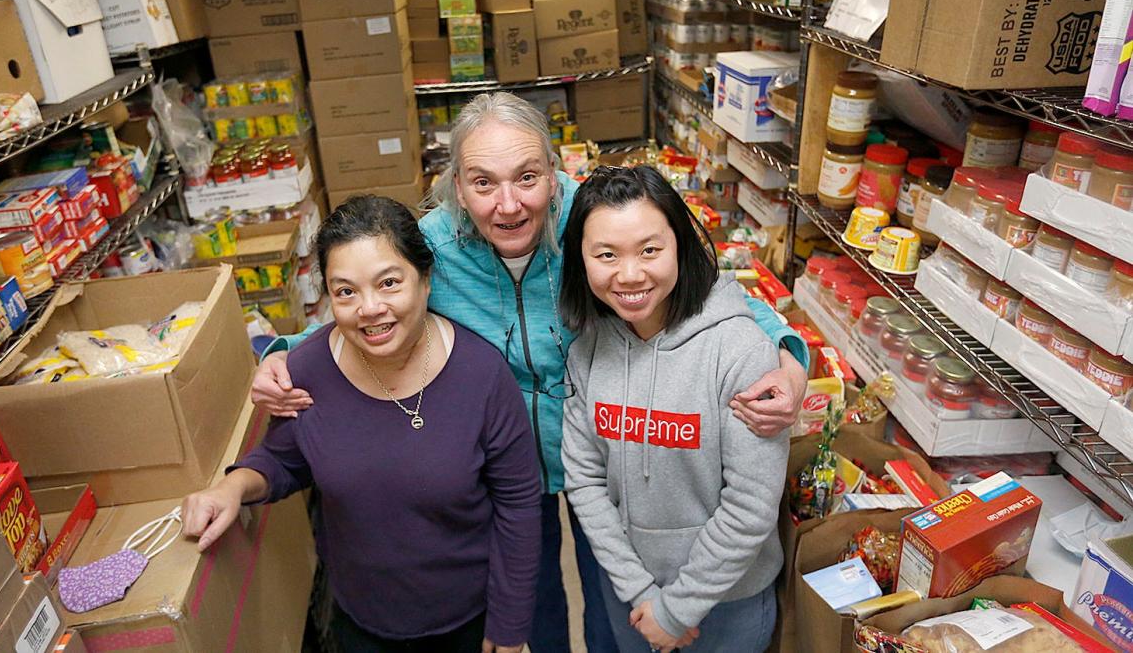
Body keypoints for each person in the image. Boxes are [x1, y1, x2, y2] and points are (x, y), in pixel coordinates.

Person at [250, 92, 809, 652]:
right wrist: (285, 352)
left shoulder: (594, 222)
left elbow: (701, 286)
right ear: (457, 187)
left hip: (608, 446)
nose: (508, 204)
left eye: (526, 177)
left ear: (555, 171)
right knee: (527, 601)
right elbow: (374, 303)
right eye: (483, 183)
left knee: (615, 601)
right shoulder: (434, 246)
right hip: (504, 460)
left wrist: (789, 356)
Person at [181, 196, 541, 653]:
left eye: (389, 283)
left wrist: (509, 628)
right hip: (361, 618)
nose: (369, 309)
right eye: (346, 291)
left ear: (425, 280)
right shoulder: (309, 369)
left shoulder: (482, 375)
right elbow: (285, 459)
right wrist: (231, 488)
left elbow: (519, 505)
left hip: (470, 618)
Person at [561, 165, 788, 653]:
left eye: (649, 250)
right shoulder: (588, 349)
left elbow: (751, 505)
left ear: (680, 245)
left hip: (729, 604)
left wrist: (677, 609)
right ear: (581, 261)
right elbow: (584, 481)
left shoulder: (739, 350)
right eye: (606, 255)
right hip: (631, 598)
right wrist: (643, 595)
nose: (629, 275)